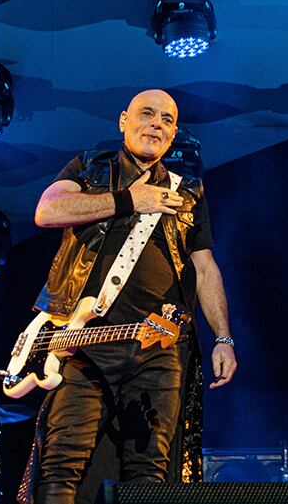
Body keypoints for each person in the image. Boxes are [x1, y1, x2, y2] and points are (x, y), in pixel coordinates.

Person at [20, 89, 237, 504]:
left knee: (149, 470)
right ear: (124, 121)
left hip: (159, 344)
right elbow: (48, 211)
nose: (156, 124)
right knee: (61, 463)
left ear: (173, 134)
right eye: (147, 114)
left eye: (167, 120)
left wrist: (223, 337)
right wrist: (129, 200)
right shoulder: (90, 167)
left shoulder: (189, 192)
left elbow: (206, 268)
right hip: (84, 342)